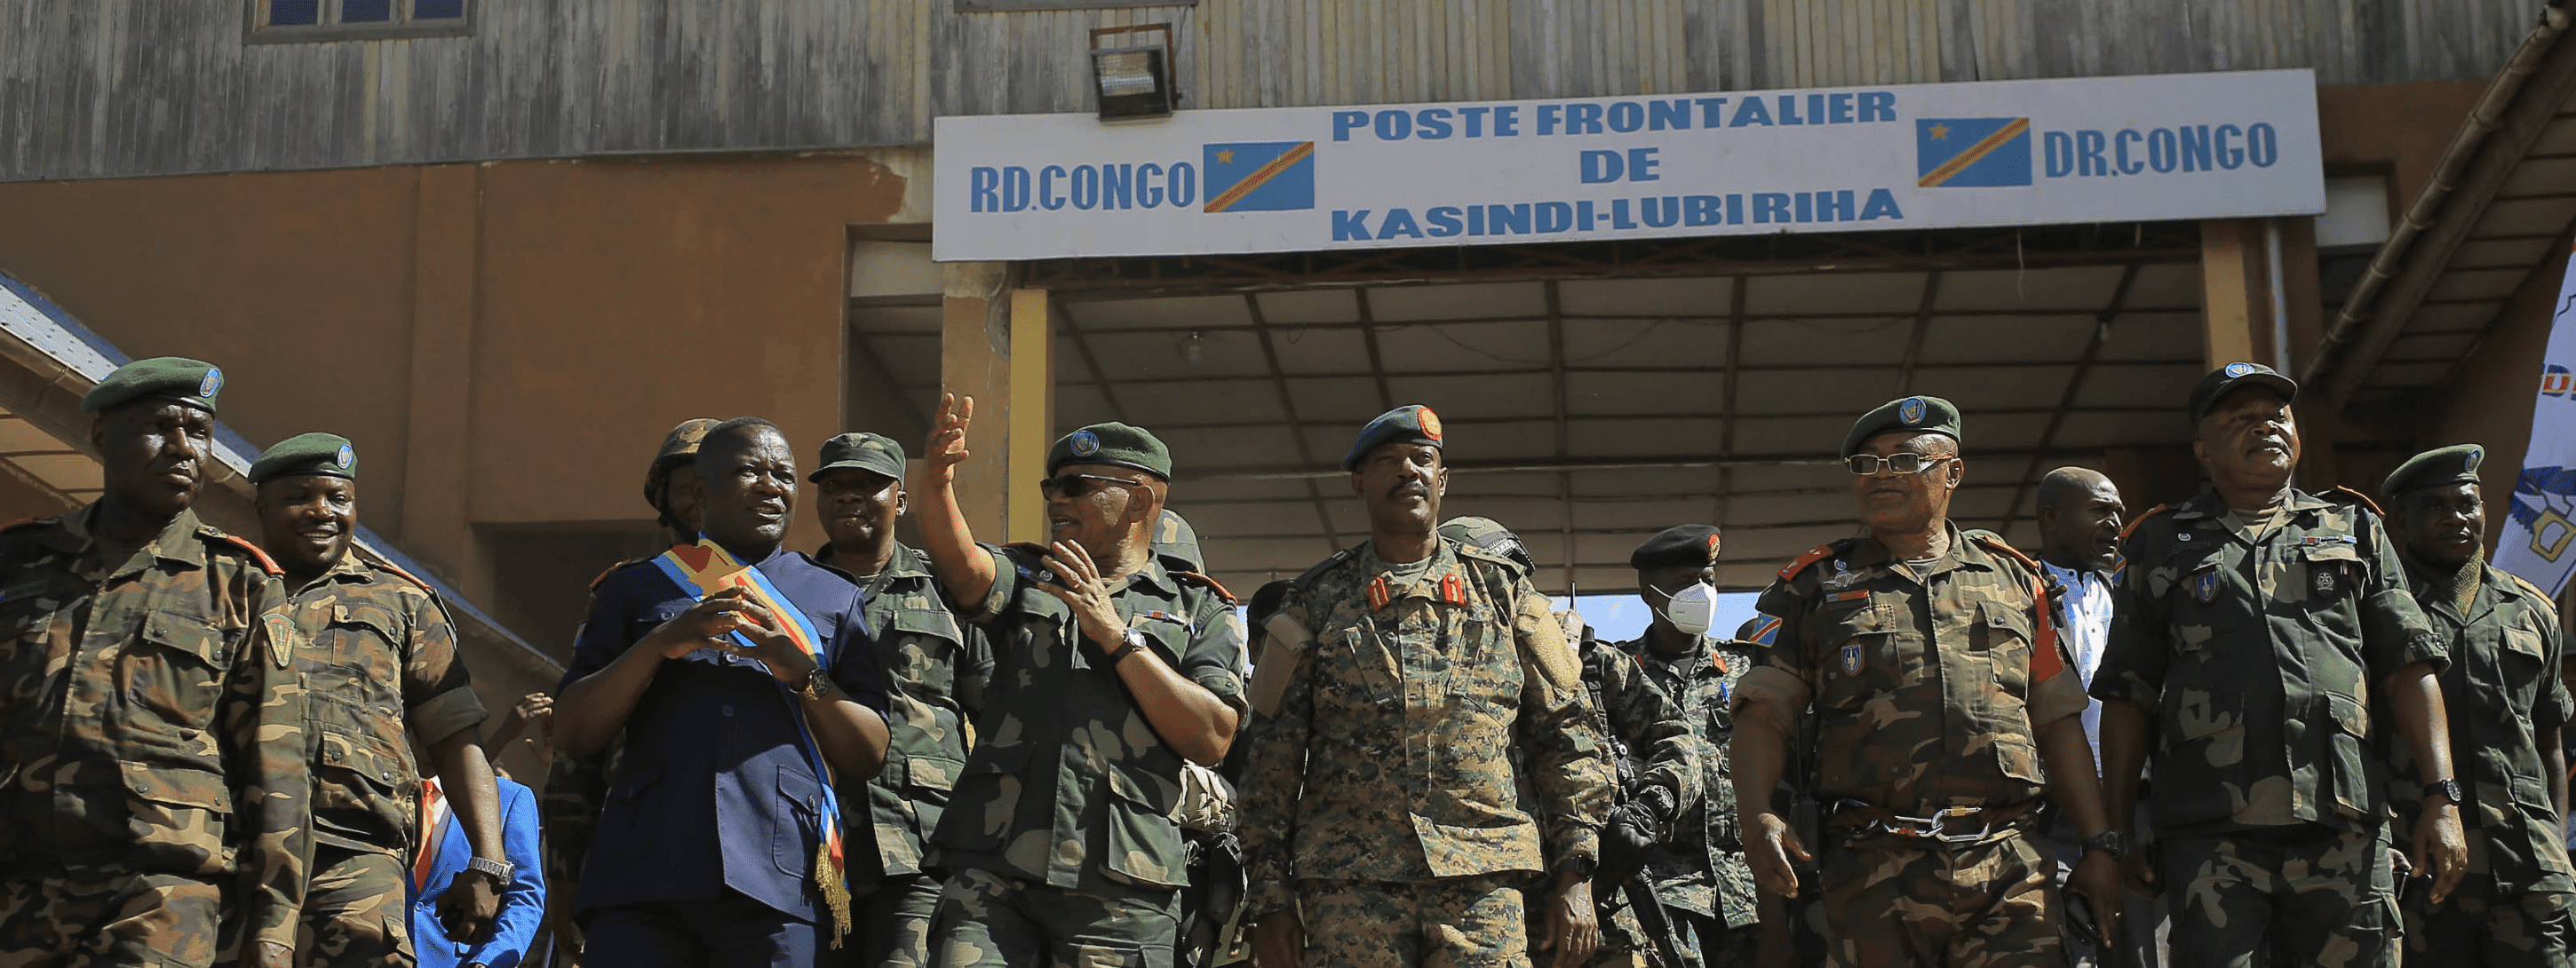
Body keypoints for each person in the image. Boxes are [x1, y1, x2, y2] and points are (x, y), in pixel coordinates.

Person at [2092, 362, 2467, 968]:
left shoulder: (2353, 527)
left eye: (2277, 416)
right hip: (2208, 834)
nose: (2265, 427)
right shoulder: (2160, 542)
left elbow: (2409, 668)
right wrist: (2116, 832)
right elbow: (2127, 693)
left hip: (2342, 823)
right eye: (2240, 419)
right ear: (2202, 449)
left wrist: (2441, 799)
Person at [1729, 394, 2122, 968]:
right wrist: (1755, 813)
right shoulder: (1811, 587)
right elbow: (1763, 712)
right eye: (1866, 465)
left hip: (2008, 869)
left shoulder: (2015, 580)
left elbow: (2058, 719)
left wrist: (2100, 844)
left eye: (1903, 460)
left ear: (1952, 473)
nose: (1881, 475)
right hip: (1871, 876)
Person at [1240, 404, 1613, 968]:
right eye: (1388, 461)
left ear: (1442, 480)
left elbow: (1568, 737)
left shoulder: (1505, 594)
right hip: (1350, 889)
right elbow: (1272, 759)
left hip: (1482, 884)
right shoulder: (1314, 602)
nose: (1408, 471)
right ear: (1359, 481)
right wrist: (1269, 901)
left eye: (1422, 459)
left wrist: (1577, 872)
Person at [910, 398, 1247, 967]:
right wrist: (938, 481)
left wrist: (1116, 637)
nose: (1056, 501)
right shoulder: (1028, 577)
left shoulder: (1199, 609)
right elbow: (962, 566)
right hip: (993, 867)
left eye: (1076, 486)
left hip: (1123, 884)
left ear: (1139, 499)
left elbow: (1211, 736)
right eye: (1051, 489)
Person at [0, 358, 308, 967]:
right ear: (99, 437)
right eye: (158, 428)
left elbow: (276, 769)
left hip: (160, 895)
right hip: (18, 889)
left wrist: (274, 927)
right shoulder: (20, 563)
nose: (182, 449)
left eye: (197, 433)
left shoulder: (239, 583)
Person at [553, 417, 894, 967]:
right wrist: (660, 644)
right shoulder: (636, 588)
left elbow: (870, 751)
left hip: (779, 876)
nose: (770, 485)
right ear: (700, 491)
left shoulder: (832, 596)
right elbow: (573, 731)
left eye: (782, 474)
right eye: (748, 471)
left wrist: (804, 673)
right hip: (644, 874)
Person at [248, 432, 508, 966]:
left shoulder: (402, 602)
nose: (322, 512)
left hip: (355, 852)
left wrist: (490, 861)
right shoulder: (225, 588)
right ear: (263, 506)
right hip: (229, 841)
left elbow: (456, 734)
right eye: (300, 496)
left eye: (338, 499)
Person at [1443, 515, 1708, 968]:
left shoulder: (1587, 662)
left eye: (1510, 581)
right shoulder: (1435, 680)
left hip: (1600, 906)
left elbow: (1678, 738)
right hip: (1483, 916)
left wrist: (1648, 809)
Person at [2381, 444, 2573, 967]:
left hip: (2528, 868)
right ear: (2402, 518)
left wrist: (2554, 846)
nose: (2456, 518)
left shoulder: (2533, 611)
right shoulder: (2376, 615)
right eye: (2434, 506)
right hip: (2421, 866)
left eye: (2467, 503)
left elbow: (2549, 744)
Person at [807, 431, 991, 968]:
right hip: (815, 844)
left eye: (868, 485)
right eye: (835, 487)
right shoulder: (791, 591)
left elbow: (997, 714)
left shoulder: (946, 589)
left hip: (922, 842)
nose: (848, 496)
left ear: (901, 501)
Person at [539, 417, 714, 967]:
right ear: (661, 495)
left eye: (712, 482)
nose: (699, 497)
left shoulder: (796, 588)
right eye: (685, 484)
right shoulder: (627, 591)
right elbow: (579, 744)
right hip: (642, 845)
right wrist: (564, 876)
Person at [2030, 466, 2167, 968]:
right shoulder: (2016, 592)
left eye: (2119, 513)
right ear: (2052, 518)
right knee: (2061, 948)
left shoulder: (2141, 593)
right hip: (2051, 812)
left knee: (2146, 951)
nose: (2116, 523)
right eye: (2100, 511)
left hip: (2139, 806)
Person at [1614, 525, 1763, 967]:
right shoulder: (1617, 675)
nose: (1701, 593)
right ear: (1650, 593)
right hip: (1662, 890)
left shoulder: (1744, 667)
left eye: (1708, 580)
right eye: (1685, 584)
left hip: (1744, 890)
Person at [407, 763, 546, 968]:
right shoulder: (373, 790)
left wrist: (490, 961)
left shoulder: (510, 797)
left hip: (460, 960)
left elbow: (525, 896)